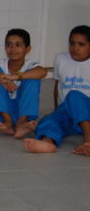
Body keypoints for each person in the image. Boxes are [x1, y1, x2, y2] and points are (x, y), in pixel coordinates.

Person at [24, 25, 90, 155]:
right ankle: (48, 143)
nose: (75, 48)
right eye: (72, 43)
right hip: (68, 113)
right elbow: (57, 87)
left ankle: (88, 141)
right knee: (49, 120)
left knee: (74, 96)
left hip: (87, 112)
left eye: (81, 44)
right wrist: (57, 111)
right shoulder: (61, 59)